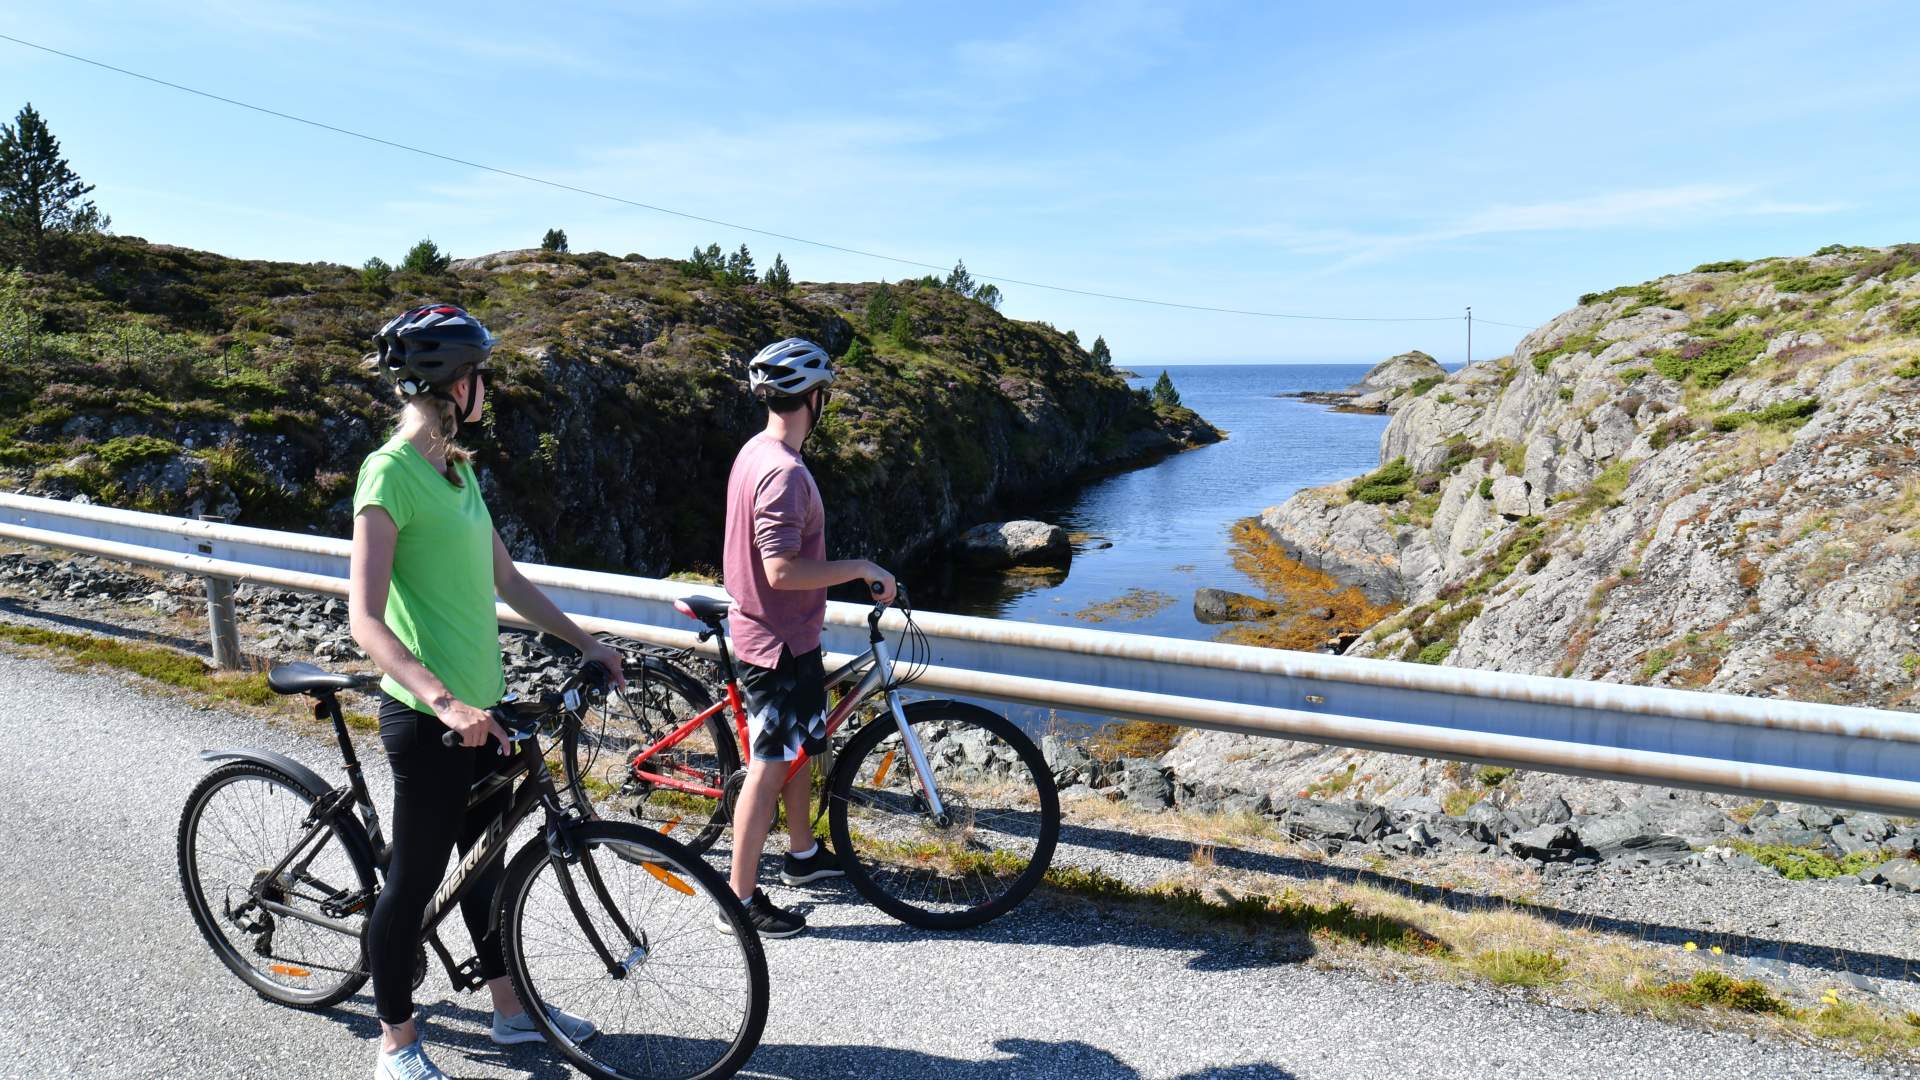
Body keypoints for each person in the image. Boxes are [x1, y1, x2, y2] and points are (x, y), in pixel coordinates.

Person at [347, 303, 629, 1080]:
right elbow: (364, 620)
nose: (487, 390)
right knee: (415, 880)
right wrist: (444, 700)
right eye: (480, 376)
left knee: (489, 867)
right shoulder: (390, 473)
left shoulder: (459, 469)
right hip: (428, 717)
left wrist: (588, 642)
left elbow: (506, 579)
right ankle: (396, 1043)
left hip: (486, 709)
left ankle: (510, 1012)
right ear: (450, 382)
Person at [721, 336, 896, 937]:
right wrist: (860, 567)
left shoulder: (756, 450)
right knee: (768, 767)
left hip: (786, 636)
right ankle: (737, 902)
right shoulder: (785, 472)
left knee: (799, 751)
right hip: (774, 645)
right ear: (815, 399)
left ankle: (802, 855)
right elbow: (780, 569)